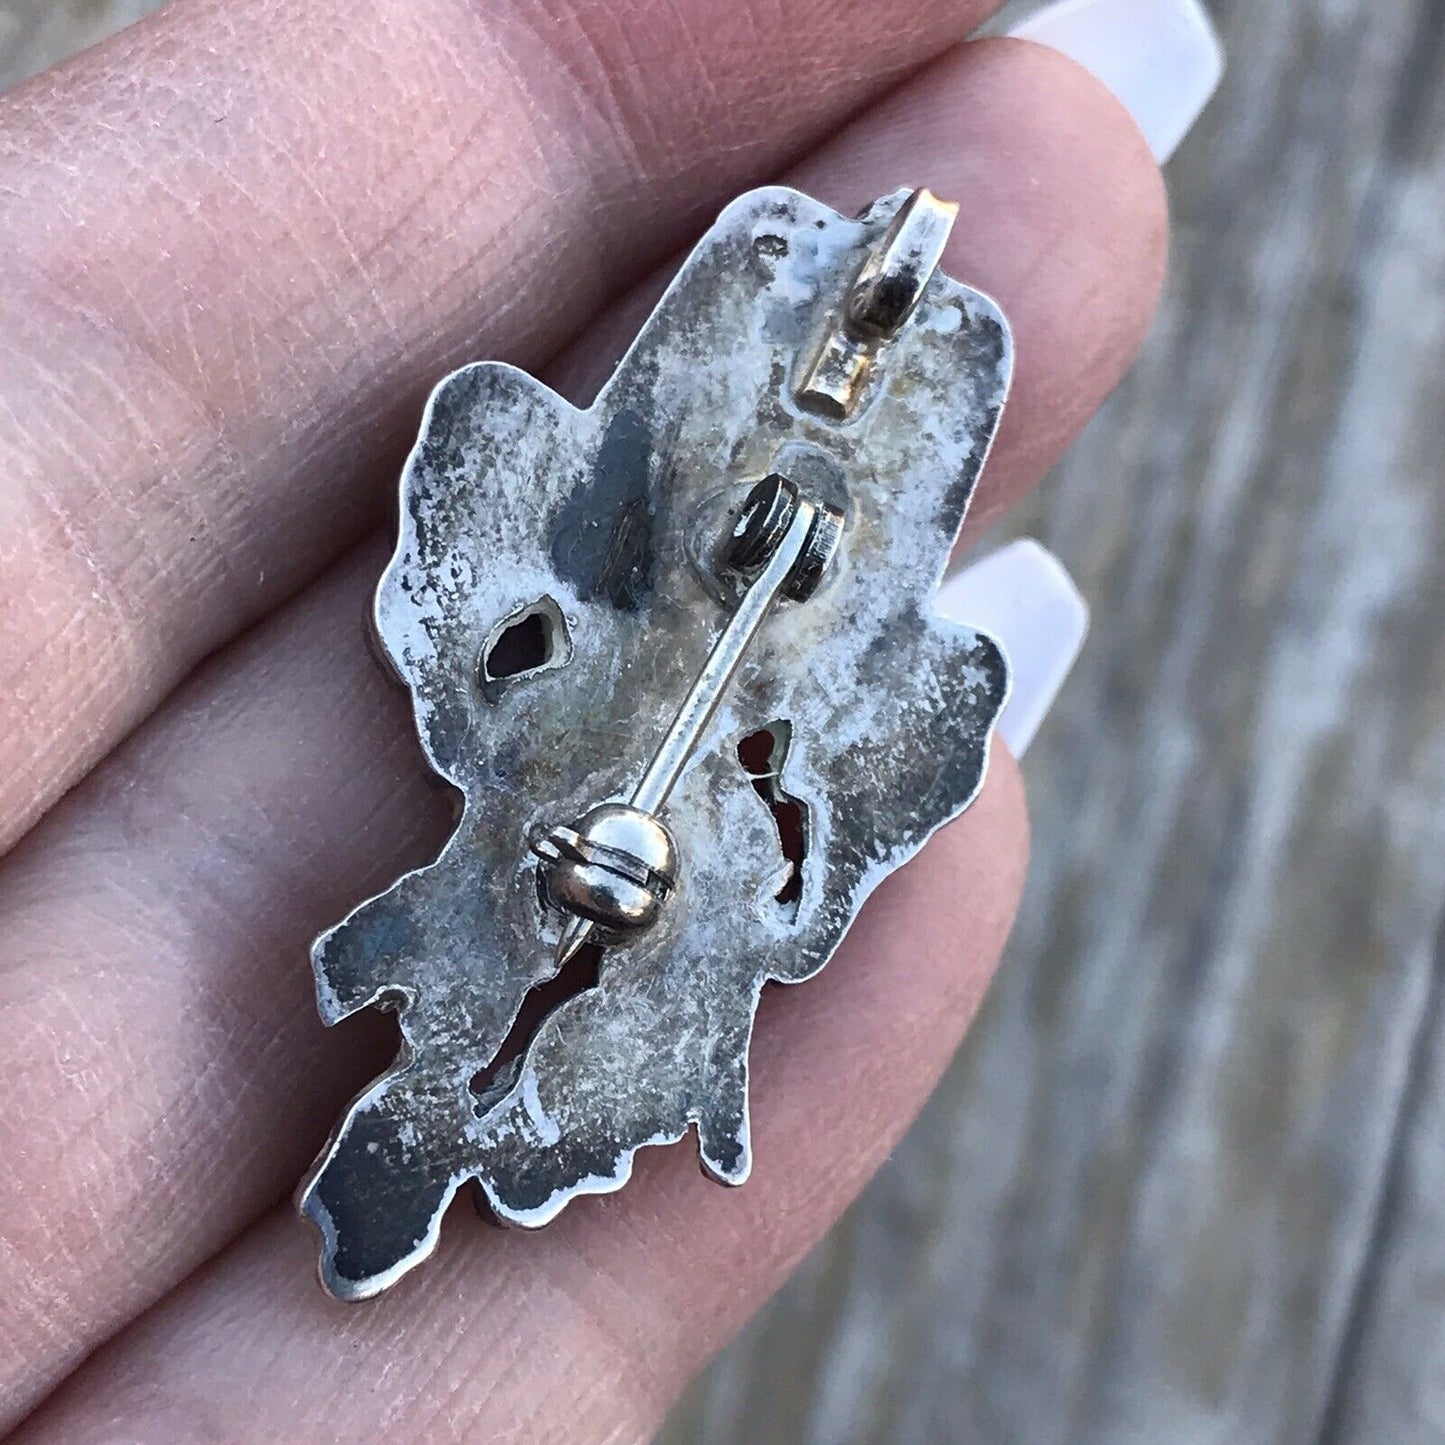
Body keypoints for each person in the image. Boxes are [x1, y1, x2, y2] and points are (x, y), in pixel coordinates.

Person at [0, 0, 1167, 1437]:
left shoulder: (865, 669)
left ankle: (453, 1130)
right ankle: (431, 1130)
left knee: (556, 1039)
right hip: (561, 845)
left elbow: (826, 843)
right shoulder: (564, 492)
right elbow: (477, 562)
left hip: (670, 939)